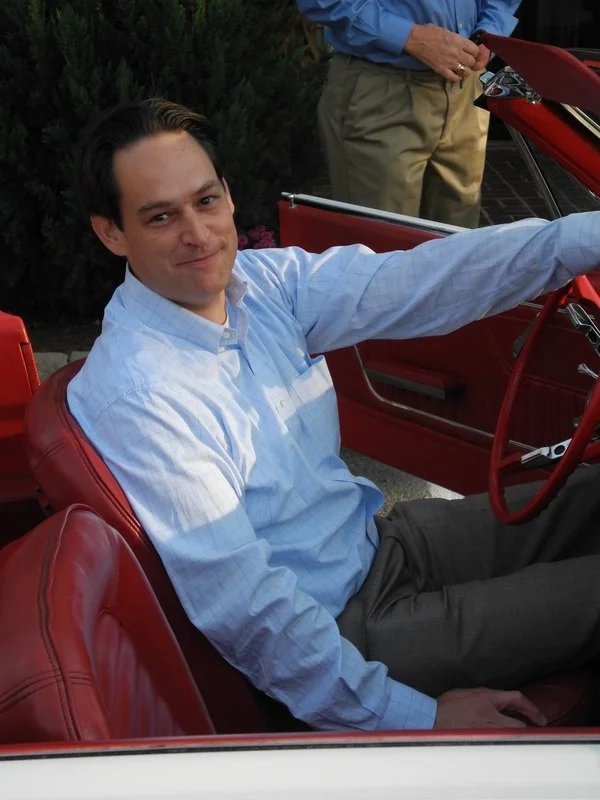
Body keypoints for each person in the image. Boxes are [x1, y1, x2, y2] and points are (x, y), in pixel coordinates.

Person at [69, 97, 600, 733]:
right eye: (161, 216)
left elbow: (421, 280)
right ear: (111, 233)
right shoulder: (141, 395)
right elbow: (250, 612)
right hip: (347, 632)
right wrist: (418, 719)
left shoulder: (261, 286)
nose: (198, 234)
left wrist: (580, 239)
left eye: (206, 201)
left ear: (229, 196)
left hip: (382, 545)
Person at [297, 1, 522, 228]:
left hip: (466, 88)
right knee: (384, 245)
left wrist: (489, 31)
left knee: (457, 243)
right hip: (381, 91)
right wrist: (409, 37)